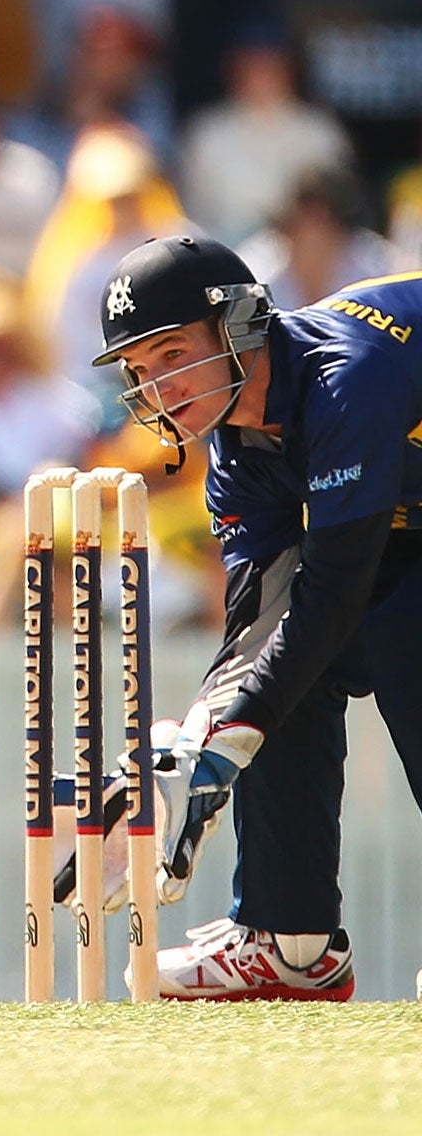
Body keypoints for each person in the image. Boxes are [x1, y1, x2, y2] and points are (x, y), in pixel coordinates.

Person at [81, 233, 422, 999]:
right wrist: (187, 751)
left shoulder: (346, 379)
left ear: (239, 325)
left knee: (401, 644)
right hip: (405, 523)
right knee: (280, 680)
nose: (158, 387)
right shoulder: (236, 451)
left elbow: (332, 593)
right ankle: (290, 942)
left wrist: (227, 741)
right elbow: (260, 628)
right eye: (139, 371)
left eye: (171, 355)